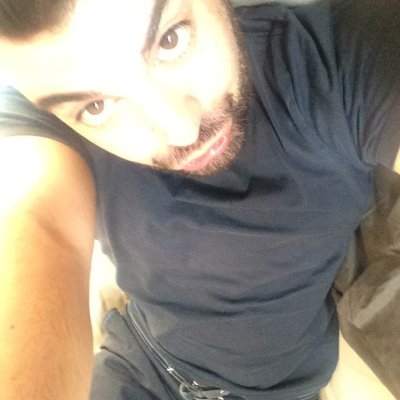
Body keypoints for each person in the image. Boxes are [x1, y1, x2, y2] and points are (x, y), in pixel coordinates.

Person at [0, 0, 399, 399]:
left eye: (171, 40)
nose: (181, 131)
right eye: (96, 107)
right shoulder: (41, 101)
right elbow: (43, 225)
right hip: (141, 365)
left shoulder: (338, 58)